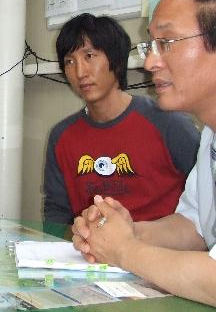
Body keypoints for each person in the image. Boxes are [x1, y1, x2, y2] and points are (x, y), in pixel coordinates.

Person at [72, 0, 216, 306]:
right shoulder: (211, 134)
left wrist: (125, 250)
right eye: (151, 45)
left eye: (167, 43)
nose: (150, 61)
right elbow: (194, 227)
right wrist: (123, 231)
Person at [44, 13, 199, 224]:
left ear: (116, 60)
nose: (80, 72)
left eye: (89, 56)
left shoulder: (168, 123)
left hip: (161, 251)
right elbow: (57, 214)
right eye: (70, 61)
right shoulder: (61, 136)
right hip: (89, 253)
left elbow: (206, 202)